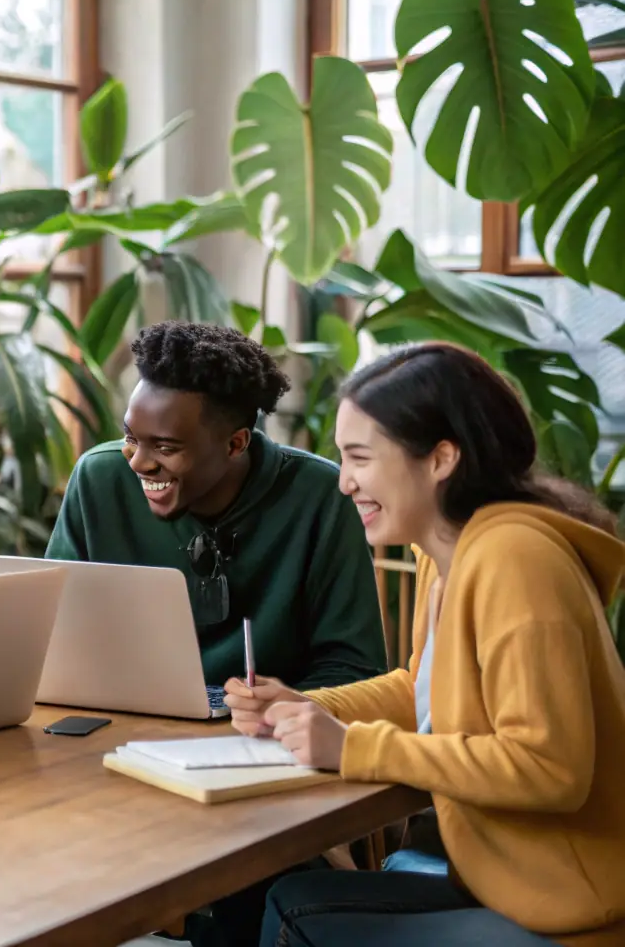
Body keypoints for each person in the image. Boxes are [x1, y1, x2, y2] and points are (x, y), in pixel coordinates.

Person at [227, 343, 625, 947]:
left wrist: (354, 748)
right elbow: (421, 689)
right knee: (295, 898)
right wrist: (312, 709)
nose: (345, 484)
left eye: (360, 458)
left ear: (441, 458)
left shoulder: (515, 561)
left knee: (297, 920)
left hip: (572, 915)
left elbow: (550, 768)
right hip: (502, 885)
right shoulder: (451, 557)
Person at [47, 321, 386, 691]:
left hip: (269, 737)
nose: (138, 463)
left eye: (165, 447)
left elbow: (354, 668)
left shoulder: (320, 496)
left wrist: (281, 713)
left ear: (235, 444)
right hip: (123, 724)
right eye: (131, 438)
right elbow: (51, 637)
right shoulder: (99, 481)